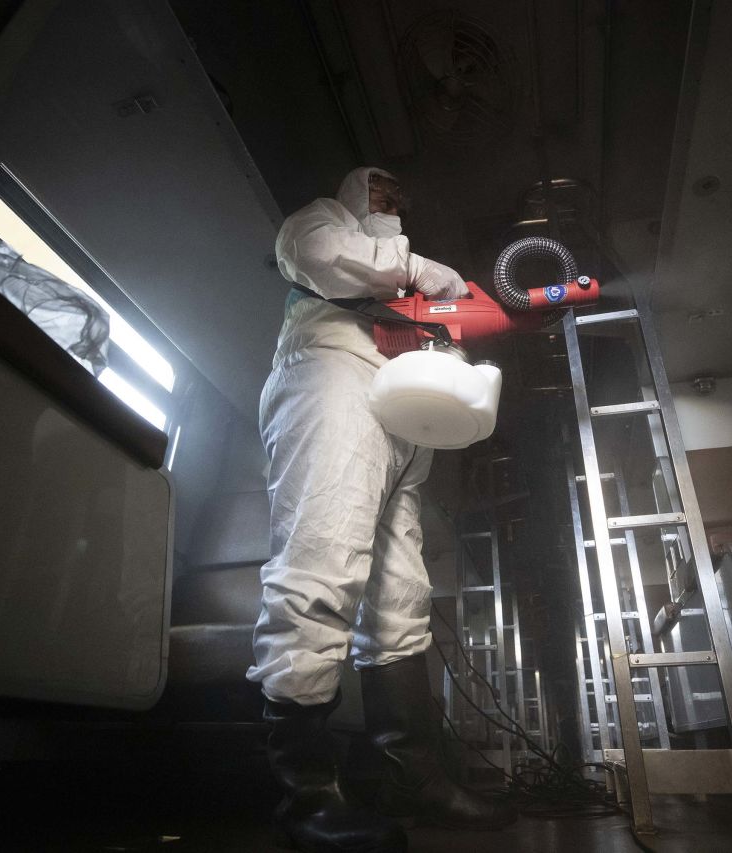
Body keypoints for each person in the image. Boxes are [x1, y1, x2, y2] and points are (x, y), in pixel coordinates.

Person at [248, 167, 516, 852]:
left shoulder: (392, 277)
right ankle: (306, 793)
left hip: (398, 407)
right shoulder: (326, 224)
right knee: (322, 563)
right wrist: (418, 267)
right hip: (329, 377)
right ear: (355, 191)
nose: (394, 199)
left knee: (401, 595)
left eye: (402, 194)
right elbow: (306, 252)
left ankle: (410, 775)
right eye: (382, 189)